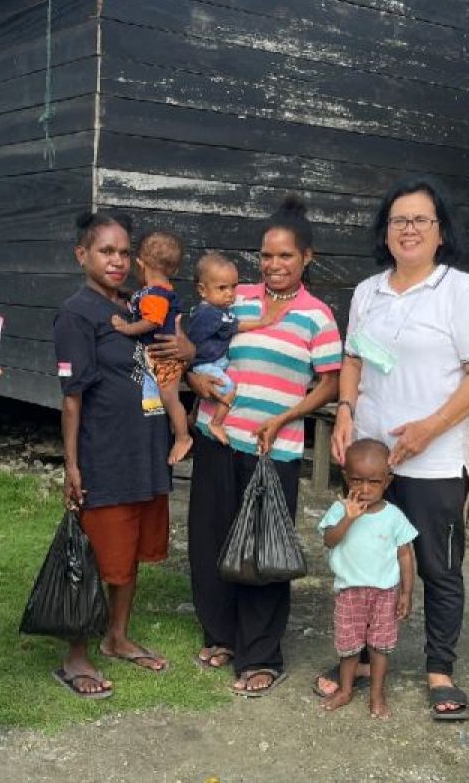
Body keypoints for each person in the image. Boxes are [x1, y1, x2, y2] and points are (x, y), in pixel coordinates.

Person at [325, 176, 469, 720]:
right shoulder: (367, 292)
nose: (409, 229)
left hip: (435, 458)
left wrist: (430, 427)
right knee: (363, 555)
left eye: (421, 220)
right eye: (399, 220)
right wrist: (347, 410)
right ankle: (354, 660)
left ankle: (439, 669)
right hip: (372, 458)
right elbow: (352, 358)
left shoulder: (459, 290)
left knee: (437, 565)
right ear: (386, 231)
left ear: (440, 232)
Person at [185, 194, 341, 695]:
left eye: (285, 256)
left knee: (264, 547)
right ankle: (223, 635)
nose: (273, 265)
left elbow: (329, 384)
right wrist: (195, 380)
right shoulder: (235, 297)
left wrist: (286, 416)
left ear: (306, 258)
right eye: (267, 255)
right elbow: (196, 347)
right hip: (217, 435)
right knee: (211, 538)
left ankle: (261, 654)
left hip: (275, 448)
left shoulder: (318, 316)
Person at [53, 211, 174, 699]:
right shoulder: (76, 314)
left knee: (132, 552)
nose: (118, 261)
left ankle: (117, 636)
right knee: (96, 554)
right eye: (106, 251)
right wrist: (72, 464)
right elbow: (71, 397)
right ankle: (75, 655)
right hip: (103, 453)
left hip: (145, 448)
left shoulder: (136, 308)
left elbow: (165, 361)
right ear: (82, 255)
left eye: (125, 252)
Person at [318, 439, 416, 718]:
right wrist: (348, 518)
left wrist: (407, 593)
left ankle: (376, 694)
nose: (364, 488)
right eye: (357, 480)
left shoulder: (394, 516)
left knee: (380, 646)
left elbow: (406, 556)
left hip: (385, 593)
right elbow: (329, 540)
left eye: (373, 481)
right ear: (346, 477)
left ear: (387, 481)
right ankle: (346, 689)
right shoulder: (339, 510)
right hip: (349, 591)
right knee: (348, 645)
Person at [110, 231, 193, 465]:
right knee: (160, 398)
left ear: (140, 264)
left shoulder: (156, 295)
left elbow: (151, 321)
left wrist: (126, 328)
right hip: (157, 356)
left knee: (170, 397)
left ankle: (184, 437)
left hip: (165, 357)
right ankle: (178, 428)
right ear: (174, 270)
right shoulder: (155, 292)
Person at [184, 252, 276, 445]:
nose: (230, 293)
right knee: (229, 388)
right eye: (222, 288)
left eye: (233, 287)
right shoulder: (212, 314)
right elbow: (239, 325)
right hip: (205, 363)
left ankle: (193, 415)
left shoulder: (209, 310)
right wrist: (262, 322)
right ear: (202, 290)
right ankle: (216, 423)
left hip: (210, 359)